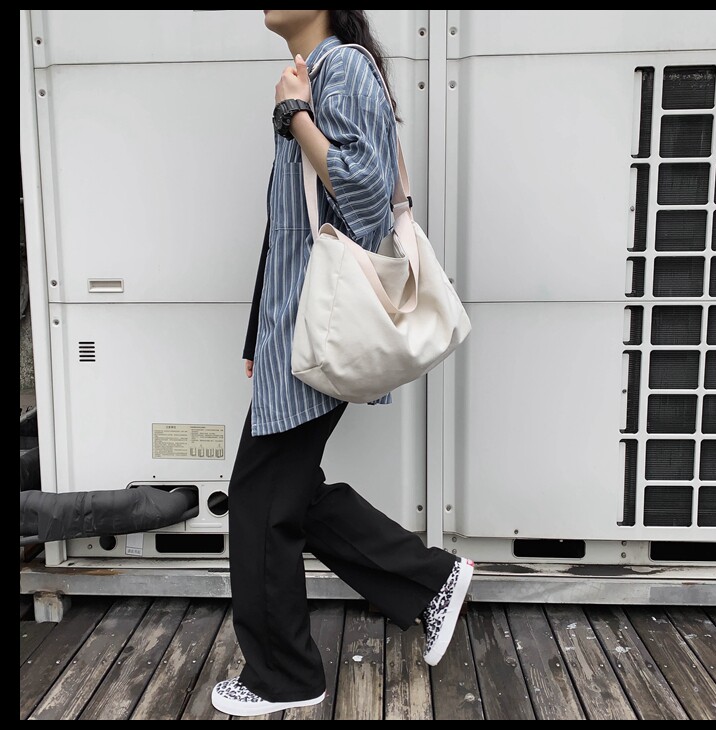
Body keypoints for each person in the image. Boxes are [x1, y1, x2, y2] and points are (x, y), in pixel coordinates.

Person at [211, 10, 474, 718]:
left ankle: (284, 676)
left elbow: (363, 191)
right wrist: (256, 335)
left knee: (260, 505)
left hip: (318, 330)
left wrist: (293, 114)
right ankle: (432, 582)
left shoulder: (343, 69)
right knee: (290, 495)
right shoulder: (314, 75)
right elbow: (287, 226)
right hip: (293, 332)